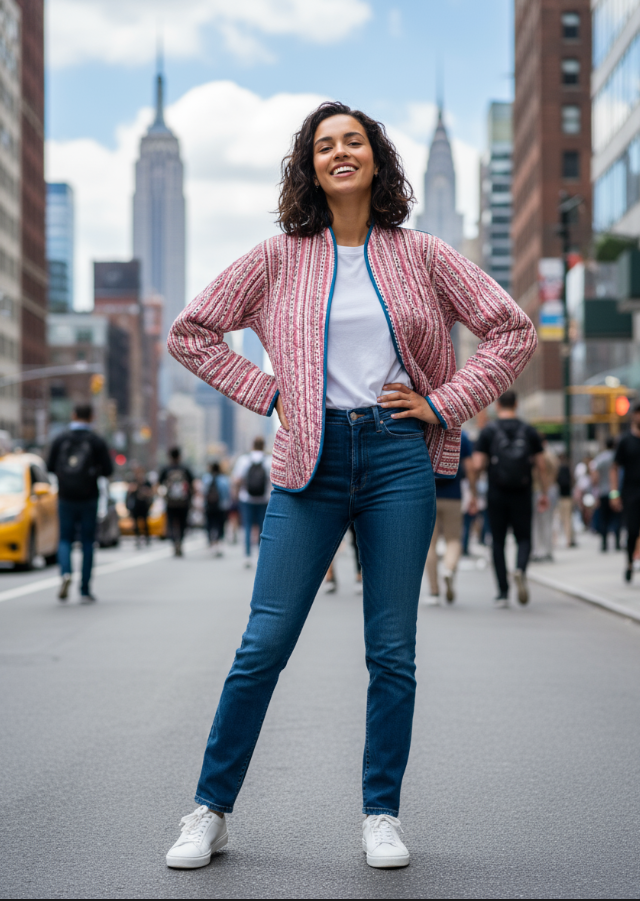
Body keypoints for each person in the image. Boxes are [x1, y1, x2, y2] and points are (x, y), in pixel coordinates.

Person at [165, 100, 537, 870]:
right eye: (324, 145)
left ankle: (381, 812)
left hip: (400, 454)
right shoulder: (276, 259)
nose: (340, 153)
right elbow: (190, 332)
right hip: (311, 459)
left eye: (353, 141)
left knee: (391, 650)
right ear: (309, 165)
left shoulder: (423, 254)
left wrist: (443, 403)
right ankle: (209, 808)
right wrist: (270, 393)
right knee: (263, 644)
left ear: (375, 158)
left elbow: (514, 329)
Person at [474, 391, 548, 607]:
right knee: (523, 538)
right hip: (522, 492)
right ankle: (520, 569)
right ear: (517, 404)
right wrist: (543, 492)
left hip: (496, 493)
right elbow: (542, 465)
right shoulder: (529, 430)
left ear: (498, 406)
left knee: (497, 542)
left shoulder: (489, 431)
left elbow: (478, 464)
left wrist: (474, 487)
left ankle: (503, 592)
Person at [47, 403, 113, 602]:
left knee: (65, 539)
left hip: (66, 496)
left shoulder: (60, 438)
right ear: (91, 417)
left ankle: (66, 573)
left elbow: (50, 466)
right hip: (89, 497)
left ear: (73, 415)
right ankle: (84, 589)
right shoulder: (96, 441)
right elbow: (108, 470)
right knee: (87, 542)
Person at [425, 430, 476, 604]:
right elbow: (470, 468)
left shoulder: (425, 429)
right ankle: (448, 569)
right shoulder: (462, 435)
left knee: (429, 543)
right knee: (453, 539)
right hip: (454, 496)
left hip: (428, 495)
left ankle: (434, 591)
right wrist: (474, 494)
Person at [610, 404, 640, 582]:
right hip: (631, 492)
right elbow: (614, 467)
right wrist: (614, 493)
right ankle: (629, 562)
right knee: (632, 530)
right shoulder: (625, 440)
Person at [232, 437, 272, 568]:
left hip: (246, 498)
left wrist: (237, 491)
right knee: (262, 527)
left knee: (247, 526)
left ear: (252, 445)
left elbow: (237, 479)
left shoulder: (244, 460)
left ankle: (247, 556)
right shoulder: (268, 460)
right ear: (263, 445)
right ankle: (260, 555)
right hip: (263, 499)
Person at [159, 447, 193, 557]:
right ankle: (180, 542)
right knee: (182, 524)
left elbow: (159, 485)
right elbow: (193, 484)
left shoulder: (166, 469)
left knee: (171, 524)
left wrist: (163, 497)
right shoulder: (185, 469)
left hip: (170, 502)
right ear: (179, 456)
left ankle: (174, 543)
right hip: (184, 502)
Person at [531, 435, 559, 562]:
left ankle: (537, 551)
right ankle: (547, 550)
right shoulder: (551, 455)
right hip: (551, 489)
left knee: (536, 523)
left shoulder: (537, 455)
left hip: (538, 489)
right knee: (548, 521)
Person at [591, 438, 620, 552]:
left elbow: (594, 477)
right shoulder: (616, 457)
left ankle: (604, 543)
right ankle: (617, 542)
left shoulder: (600, 458)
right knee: (617, 517)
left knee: (603, 518)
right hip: (616, 492)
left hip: (603, 492)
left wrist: (595, 491)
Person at [202, 461, 231, 555]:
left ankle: (211, 543)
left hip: (208, 506)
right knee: (220, 524)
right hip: (221, 506)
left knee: (209, 524)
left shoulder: (206, 478)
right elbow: (226, 492)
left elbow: (203, 491)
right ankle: (219, 543)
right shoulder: (223, 479)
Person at [126, 465, 153, 547]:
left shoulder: (146, 483)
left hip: (144, 506)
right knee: (136, 524)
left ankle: (147, 538)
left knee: (145, 522)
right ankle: (138, 538)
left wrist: (146, 493)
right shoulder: (133, 482)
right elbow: (129, 494)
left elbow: (151, 493)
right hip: (135, 506)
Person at [556, 453, 575, 548]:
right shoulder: (567, 468)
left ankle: (554, 540)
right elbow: (572, 481)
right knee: (568, 519)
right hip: (567, 496)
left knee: (557, 519)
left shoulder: (557, 469)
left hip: (559, 497)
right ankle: (569, 540)